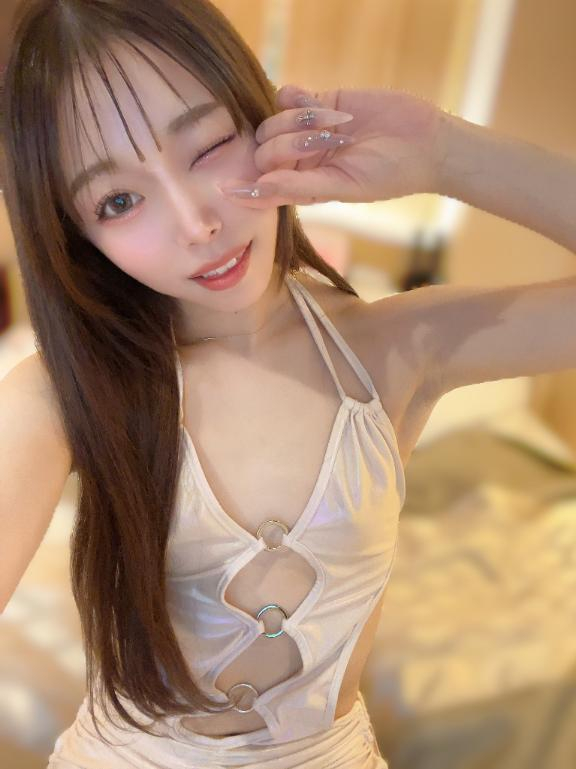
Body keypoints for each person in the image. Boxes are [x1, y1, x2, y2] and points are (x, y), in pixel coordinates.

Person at [1, 1, 574, 768]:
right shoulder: (59, 397)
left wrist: (445, 153)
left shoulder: (395, 349)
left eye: (207, 146)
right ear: (78, 237)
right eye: (119, 201)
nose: (195, 222)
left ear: (257, 115)